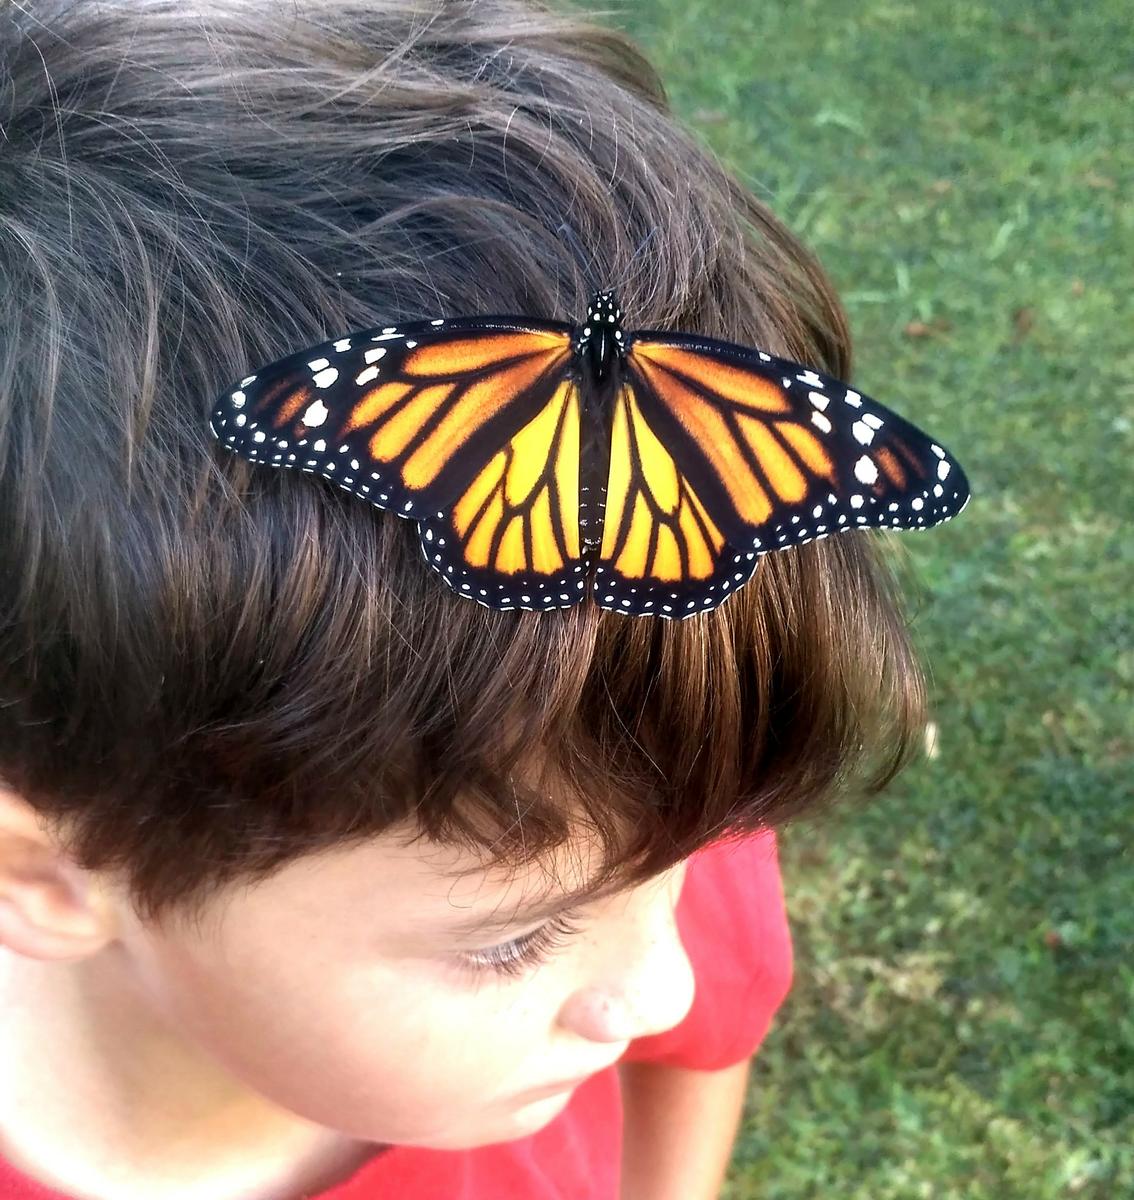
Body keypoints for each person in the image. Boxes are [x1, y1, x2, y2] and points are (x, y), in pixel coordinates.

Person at [0, 1, 928, 1197]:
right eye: (516, 939)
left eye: (691, 861)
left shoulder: (638, 798)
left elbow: (709, 1036)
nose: (662, 988)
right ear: (48, 876)